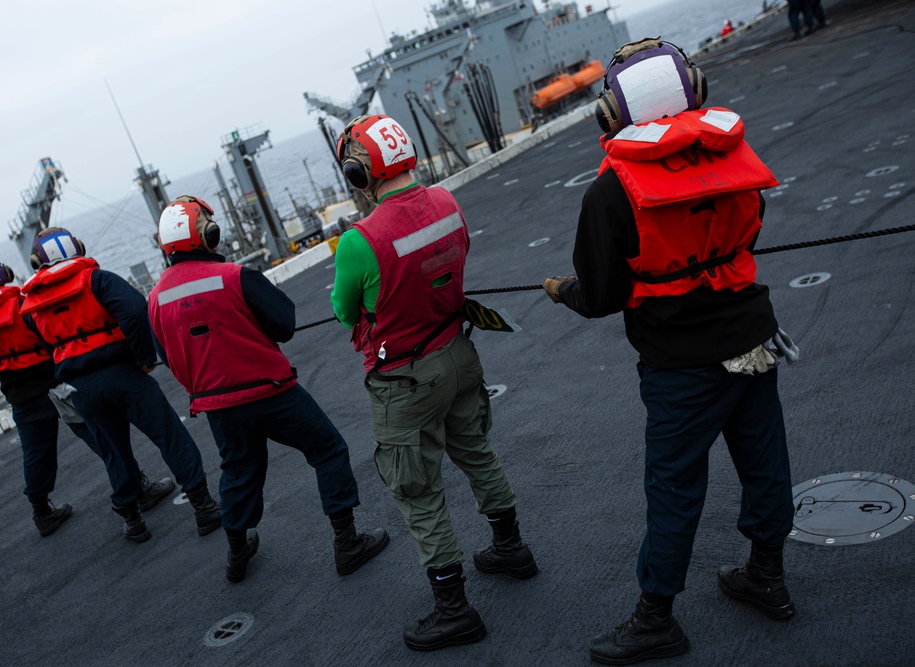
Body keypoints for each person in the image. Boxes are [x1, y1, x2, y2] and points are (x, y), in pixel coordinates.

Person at [546, 38, 797, 664]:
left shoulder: (609, 193)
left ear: (612, 113)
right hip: (752, 338)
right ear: (696, 89)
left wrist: (563, 291)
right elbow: (752, 223)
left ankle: (656, 617)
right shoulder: (732, 152)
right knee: (763, 461)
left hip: (681, 364)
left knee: (675, 487)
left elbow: (602, 294)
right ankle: (767, 575)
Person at [332, 114, 537, 651]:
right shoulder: (447, 203)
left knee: (418, 490)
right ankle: (510, 548)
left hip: (405, 378)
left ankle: (453, 608)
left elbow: (342, 310)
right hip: (458, 353)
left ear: (360, 173)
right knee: (477, 451)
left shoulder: (359, 240)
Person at [147, 195, 389, 583]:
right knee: (327, 450)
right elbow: (284, 325)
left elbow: (169, 357)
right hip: (273, 392)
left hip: (219, 406)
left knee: (238, 473)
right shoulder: (235, 276)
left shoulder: (156, 299)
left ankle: (237, 553)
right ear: (209, 234)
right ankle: (347, 543)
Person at [20, 227, 222, 543]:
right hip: (124, 375)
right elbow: (134, 309)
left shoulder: (31, 303)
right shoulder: (97, 280)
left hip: (81, 389)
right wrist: (143, 357)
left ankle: (133, 521)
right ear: (78, 248)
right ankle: (204, 507)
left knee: (114, 453)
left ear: (37, 262)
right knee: (170, 436)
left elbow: (45, 343)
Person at [0, 254, 174, 537]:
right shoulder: (23, 305)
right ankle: (140, 490)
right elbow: (50, 336)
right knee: (104, 441)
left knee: (36, 455)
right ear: (6, 274)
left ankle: (42, 512)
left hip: (21, 397)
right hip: (57, 388)